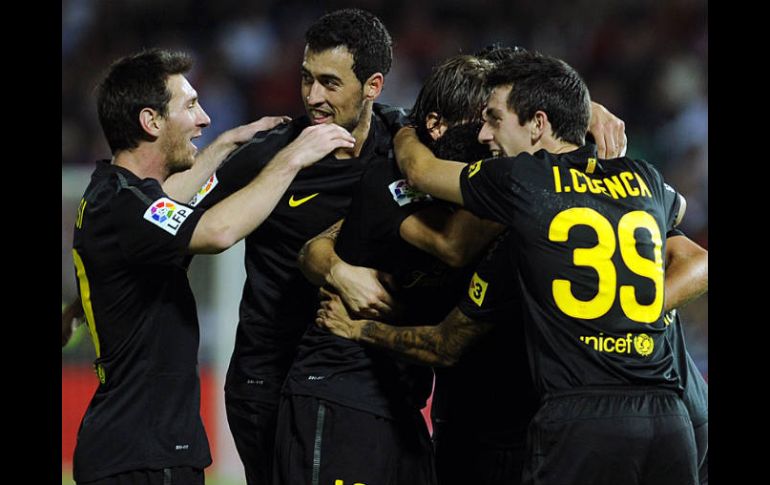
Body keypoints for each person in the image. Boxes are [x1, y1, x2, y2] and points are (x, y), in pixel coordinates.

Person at [319, 50, 701, 484]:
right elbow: (682, 213)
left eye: (495, 119)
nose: (484, 135)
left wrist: (406, 127)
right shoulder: (644, 177)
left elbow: (421, 173)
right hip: (670, 416)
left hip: (580, 419)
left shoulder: (521, 180)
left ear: (538, 124)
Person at [70, 48, 354, 485]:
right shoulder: (124, 207)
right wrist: (294, 156)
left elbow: (170, 201)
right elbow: (218, 231)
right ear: (151, 122)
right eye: (189, 106)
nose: (203, 119)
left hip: (137, 446)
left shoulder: (114, 194)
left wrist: (225, 145)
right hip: (144, 455)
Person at [276, 53, 503, 485]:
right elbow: (452, 248)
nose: (492, 137)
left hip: (403, 405)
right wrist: (522, 185)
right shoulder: (390, 181)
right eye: (484, 121)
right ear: (436, 125)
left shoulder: (461, 195)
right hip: (341, 394)